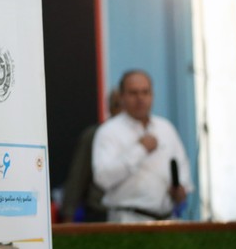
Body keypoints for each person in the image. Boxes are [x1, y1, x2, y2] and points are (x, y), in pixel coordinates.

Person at [92, 70, 192, 223]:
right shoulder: (108, 132)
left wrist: (181, 189)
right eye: (133, 93)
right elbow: (103, 178)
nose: (140, 99)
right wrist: (139, 150)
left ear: (152, 95)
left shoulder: (165, 128)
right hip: (127, 219)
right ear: (122, 96)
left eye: (145, 92)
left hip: (166, 219)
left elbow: (182, 168)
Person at [59, 88, 121, 222]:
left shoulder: (145, 137)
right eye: (117, 105)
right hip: (100, 213)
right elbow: (78, 177)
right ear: (109, 107)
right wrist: (68, 214)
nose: (121, 110)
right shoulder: (95, 135)